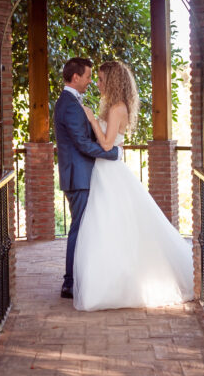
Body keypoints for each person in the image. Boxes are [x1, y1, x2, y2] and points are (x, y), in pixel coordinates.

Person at [74, 60, 193, 311]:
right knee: (103, 226)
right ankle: (104, 283)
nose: (98, 83)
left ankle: (122, 284)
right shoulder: (111, 106)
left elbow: (107, 145)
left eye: (102, 79)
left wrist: (92, 119)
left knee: (113, 224)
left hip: (111, 173)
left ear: (113, 82)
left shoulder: (118, 108)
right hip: (103, 171)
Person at [53, 57, 120, 299]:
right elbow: (81, 144)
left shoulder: (71, 102)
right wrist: (112, 153)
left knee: (83, 228)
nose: (91, 82)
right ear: (75, 77)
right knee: (79, 230)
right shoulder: (69, 105)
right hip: (78, 177)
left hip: (81, 175)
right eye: (89, 76)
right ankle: (69, 283)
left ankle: (79, 277)